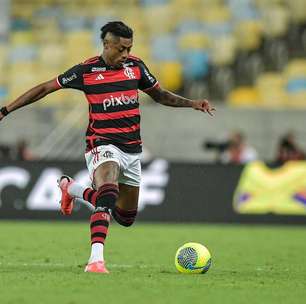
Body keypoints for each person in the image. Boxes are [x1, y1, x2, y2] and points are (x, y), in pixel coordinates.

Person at [0, 21, 215, 273]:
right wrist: (6, 110)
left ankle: (72, 188)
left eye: (129, 48)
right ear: (106, 44)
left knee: (125, 217)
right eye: (121, 49)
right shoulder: (86, 71)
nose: (125, 55)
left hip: (132, 149)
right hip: (101, 144)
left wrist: (192, 103)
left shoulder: (135, 67)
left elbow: (160, 95)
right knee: (108, 193)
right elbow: (45, 88)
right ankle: (95, 260)